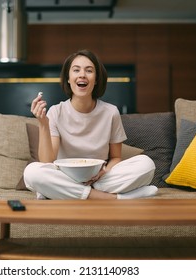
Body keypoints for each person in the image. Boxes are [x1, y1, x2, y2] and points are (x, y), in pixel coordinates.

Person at [24, 49, 157, 200]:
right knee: (32, 172)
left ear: (96, 79)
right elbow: (47, 160)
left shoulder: (110, 112)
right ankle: (112, 198)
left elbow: (115, 157)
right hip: (65, 176)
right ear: (68, 78)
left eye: (89, 70)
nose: (82, 75)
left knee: (147, 164)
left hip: (100, 179)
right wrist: (43, 123)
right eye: (76, 70)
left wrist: (104, 172)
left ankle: (61, 192)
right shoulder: (56, 112)